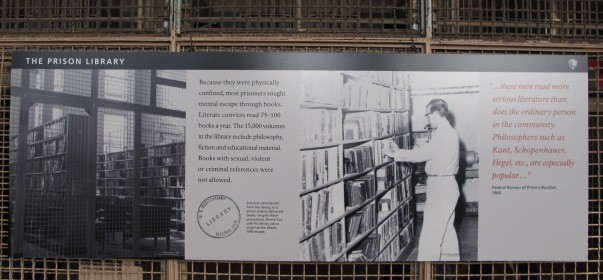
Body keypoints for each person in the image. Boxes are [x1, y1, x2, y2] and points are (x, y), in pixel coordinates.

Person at [383, 98, 460, 261]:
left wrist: (395, 154)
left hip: (441, 187)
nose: (427, 119)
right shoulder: (446, 132)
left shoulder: (443, 134)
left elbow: (422, 154)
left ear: (435, 113)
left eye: (427, 115)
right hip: (445, 186)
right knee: (446, 234)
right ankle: (451, 269)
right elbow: (427, 151)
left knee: (430, 238)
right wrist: (401, 151)